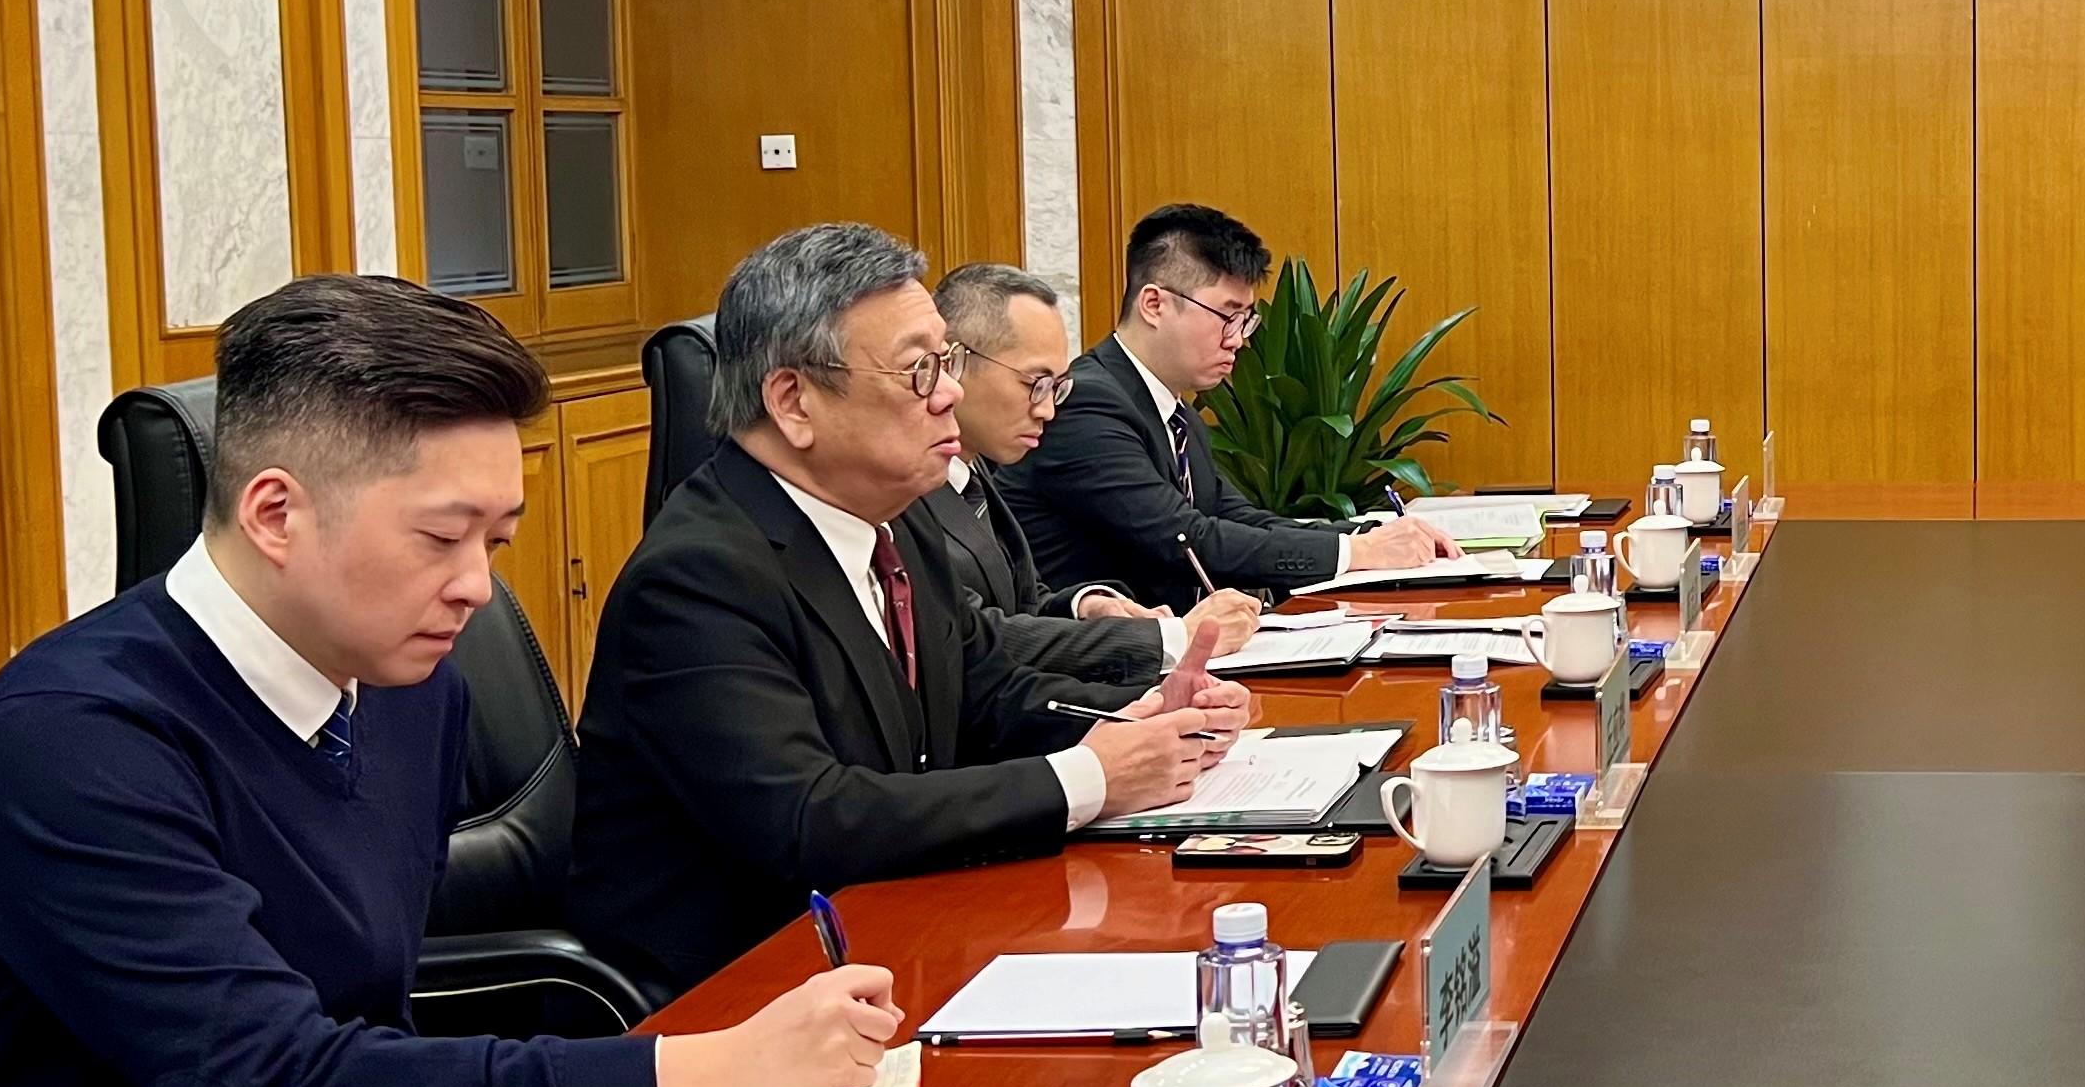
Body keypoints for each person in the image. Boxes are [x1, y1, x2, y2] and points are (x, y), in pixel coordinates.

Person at [0, 277, 899, 1087]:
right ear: (276, 512)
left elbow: (365, 1013)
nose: (476, 587)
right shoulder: (69, 742)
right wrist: (707, 1064)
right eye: (441, 537)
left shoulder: (407, 686)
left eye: (495, 540)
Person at [575, 225, 1236, 998]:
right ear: (793, 401)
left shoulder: (898, 517)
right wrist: (1087, 776)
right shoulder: (699, 577)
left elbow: (981, 685)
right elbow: (814, 819)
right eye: (921, 370)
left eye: (948, 361)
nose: (951, 392)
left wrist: (1144, 717)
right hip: (744, 994)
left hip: (896, 939)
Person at [1005, 203, 1461, 607]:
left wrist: (1367, 535)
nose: (1239, 340)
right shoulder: (1086, 404)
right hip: (1114, 665)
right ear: (1154, 304)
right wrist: (1355, 555)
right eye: (1227, 316)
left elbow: (1238, 517)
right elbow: (1186, 538)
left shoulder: (1175, 412)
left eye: (1245, 319)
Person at [923, 262, 1264, 684]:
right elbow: (976, 638)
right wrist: (1173, 638)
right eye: (1036, 383)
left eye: (1056, 387)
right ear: (954, 363)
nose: (1047, 409)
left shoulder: (976, 473)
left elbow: (1023, 603)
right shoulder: (901, 495)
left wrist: (1088, 604)